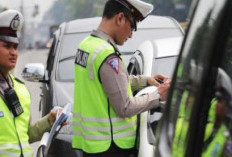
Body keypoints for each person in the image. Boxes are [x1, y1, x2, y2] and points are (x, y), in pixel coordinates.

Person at [72, 0, 170, 156]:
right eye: (132, 26)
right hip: (111, 147)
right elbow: (125, 107)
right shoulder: (107, 55)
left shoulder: (86, 45)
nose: (131, 34)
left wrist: (145, 80)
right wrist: (158, 95)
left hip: (92, 146)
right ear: (120, 18)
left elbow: (106, 84)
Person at [0, 9, 57, 157]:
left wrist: (49, 121)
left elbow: (25, 135)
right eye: (7, 46)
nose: (13, 52)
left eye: (15, 47)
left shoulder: (21, 89)